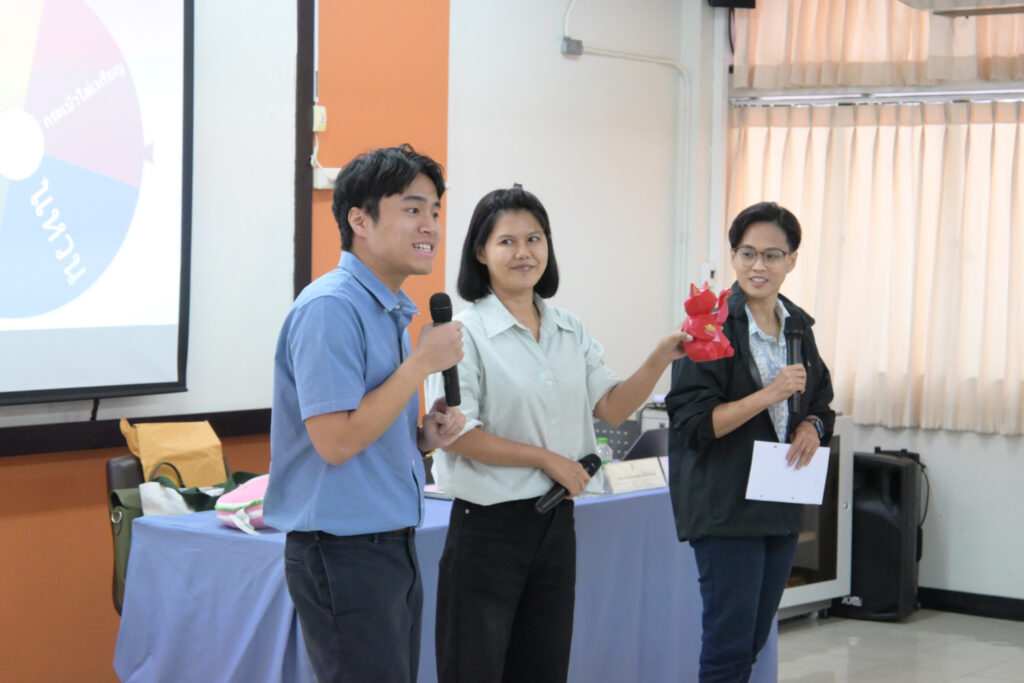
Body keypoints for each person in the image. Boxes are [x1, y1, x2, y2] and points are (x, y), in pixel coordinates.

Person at [424, 184, 691, 683]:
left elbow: (612, 408)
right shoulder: (463, 334)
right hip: (486, 529)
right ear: (480, 251)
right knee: (472, 670)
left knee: (543, 668)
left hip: (554, 525)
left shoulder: (569, 327)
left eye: (535, 238)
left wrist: (661, 357)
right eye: (507, 241)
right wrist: (547, 459)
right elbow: (458, 435)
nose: (524, 253)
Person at [264, 144, 466, 683]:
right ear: (359, 220)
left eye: (435, 211)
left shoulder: (387, 309)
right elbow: (336, 443)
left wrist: (421, 438)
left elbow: (365, 429)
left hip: (389, 544)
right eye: (413, 208)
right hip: (343, 553)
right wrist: (421, 364)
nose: (430, 226)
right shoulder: (331, 307)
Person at [665, 201, 835, 683]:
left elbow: (822, 401)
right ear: (734, 256)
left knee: (753, 641)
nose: (758, 265)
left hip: (780, 501)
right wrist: (768, 395)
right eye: (747, 253)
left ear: (792, 260)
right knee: (728, 647)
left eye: (772, 255)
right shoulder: (709, 325)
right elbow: (694, 424)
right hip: (726, 505)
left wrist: (811, 426)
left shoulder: (797, 324)